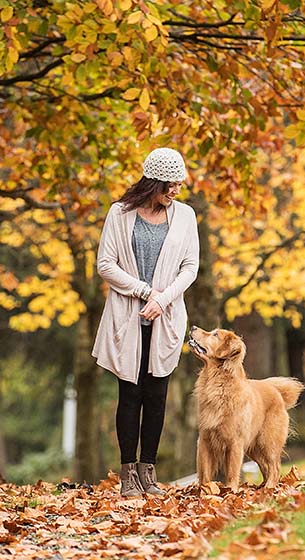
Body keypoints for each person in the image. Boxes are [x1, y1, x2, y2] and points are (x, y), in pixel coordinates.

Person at [92, 147, 200, 497]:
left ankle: (148, 472)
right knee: (130, 392)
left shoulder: (185, 216)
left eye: (179, 185)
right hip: (128, 315)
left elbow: (190, 267)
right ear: (153, 181)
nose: (175, 191)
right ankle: (128, 475)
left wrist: (162, 299)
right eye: (170, 185)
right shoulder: (120, 214)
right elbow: (106, 264)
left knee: (157, 395)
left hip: (166, 316)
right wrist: (143, 292)